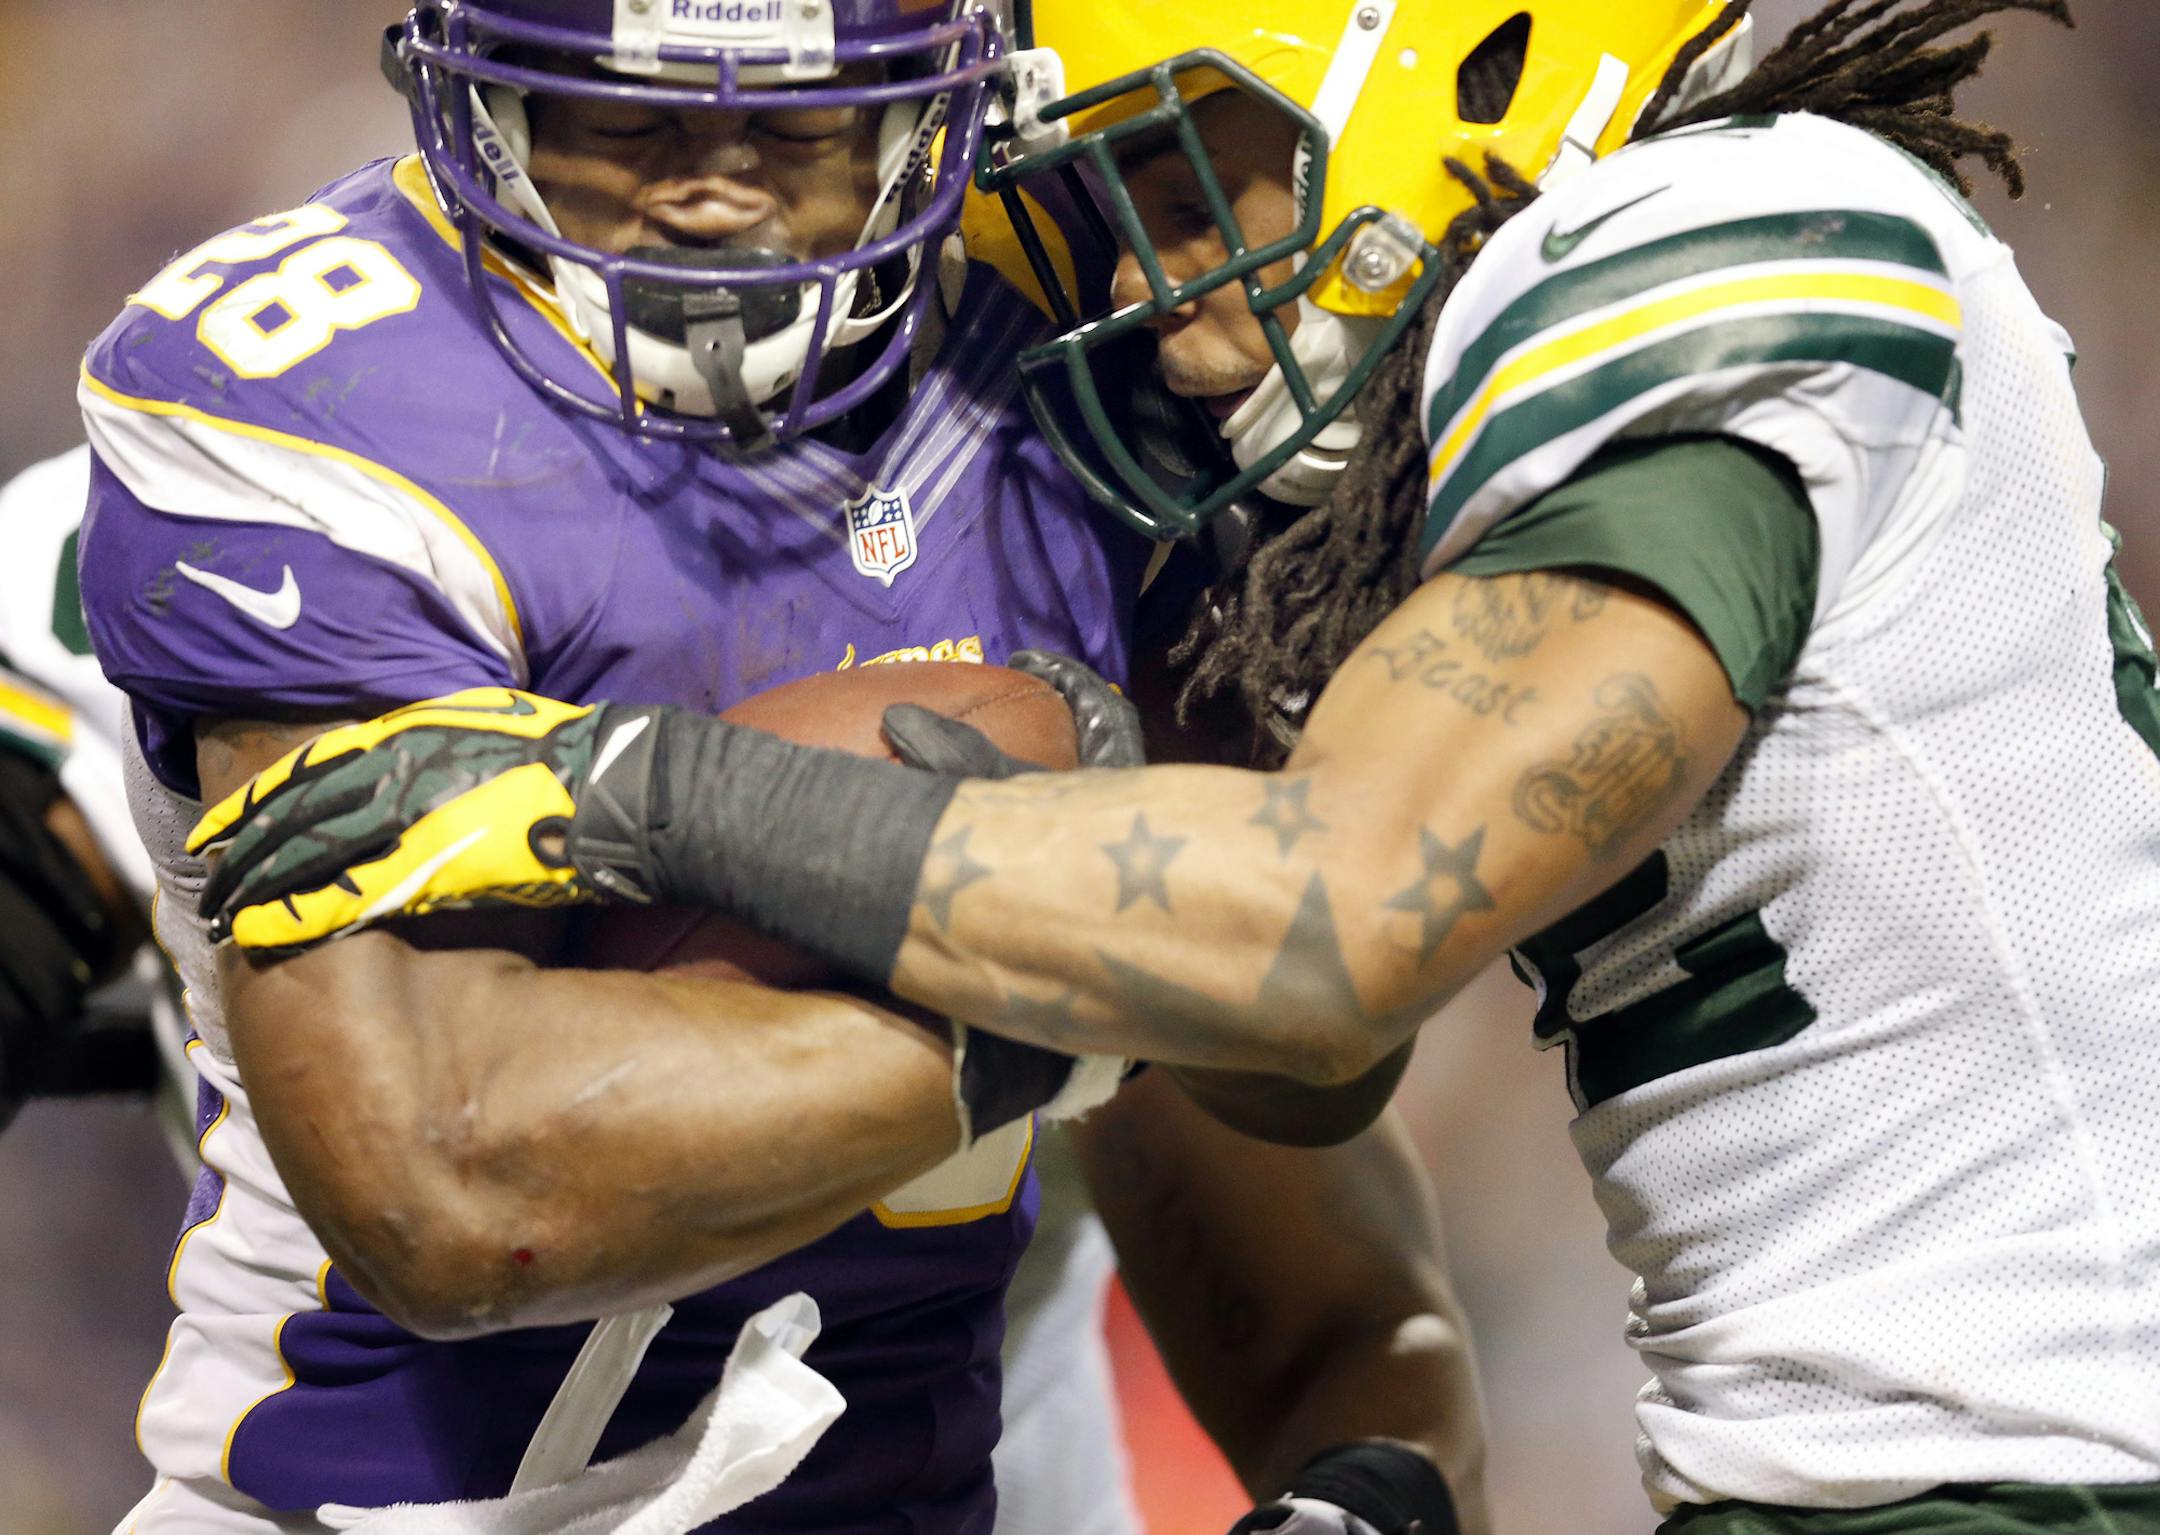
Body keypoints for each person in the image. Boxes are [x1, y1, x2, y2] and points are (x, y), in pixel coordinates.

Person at [201, 0, 2160, 1529]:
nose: (1164, 308)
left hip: (2034, 1474)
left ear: (1470, 77)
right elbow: (1296, 1068)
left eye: (1188, 176)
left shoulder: (1699, 245)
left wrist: (640, 792)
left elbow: (1329, 937)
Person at [76, 2, 1486, 1529]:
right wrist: (1088, 980)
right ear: (489, 106)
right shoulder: (319, 398)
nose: (711, 195)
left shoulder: (1069, 346)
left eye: (800, 126)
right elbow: (452, 1194)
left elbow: (1289, 1082)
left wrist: (1358, 1470)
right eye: (629, 121)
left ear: (932, 110)